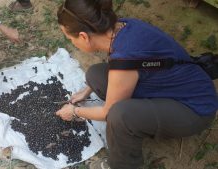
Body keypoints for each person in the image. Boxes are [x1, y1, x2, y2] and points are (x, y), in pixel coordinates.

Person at [55, 0, 218, 169]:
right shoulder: (122, 26)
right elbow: (126, 65)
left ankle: (121, 165)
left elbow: (107, 112)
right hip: (169, 87)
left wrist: (74, 111)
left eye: (70, 39)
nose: (72, 43)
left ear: (83, 36)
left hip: (194, 109)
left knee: (119, 116)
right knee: (94, 75)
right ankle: (143, 118)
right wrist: (86, 91)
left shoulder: (125, 57)